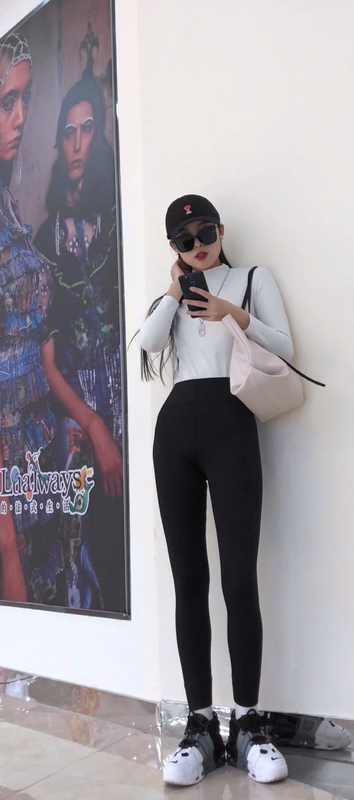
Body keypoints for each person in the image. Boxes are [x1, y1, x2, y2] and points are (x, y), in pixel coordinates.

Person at [137, 194, 293, 786]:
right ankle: (200, 725)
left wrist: (231, 313)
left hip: (232, 428)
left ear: (221, 230)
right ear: (174, 248)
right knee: (188, 580)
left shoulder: (253, 279)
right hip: (176, 434)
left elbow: (285, 345)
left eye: (206, 232)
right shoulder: (175, 295)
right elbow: (150, 344)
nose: (198, 244)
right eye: (185, 239)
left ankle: (249, 722)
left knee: (239, 577)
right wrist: (174, 291)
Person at [34, 71, 126, 613]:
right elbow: (47, 363)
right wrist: (93, 426)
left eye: (87, 129)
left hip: (126, 405)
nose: (76, 143)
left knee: (127, 549)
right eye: (67, 132)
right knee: (82, 564)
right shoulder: (46, 239)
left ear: (100, 137)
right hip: (75, 418)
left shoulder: (117, 222)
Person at [0, 31, 63, 605]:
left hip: (35, 449)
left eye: (26, 98)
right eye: (6, 102)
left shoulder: (11, 204)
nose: (20, 117)